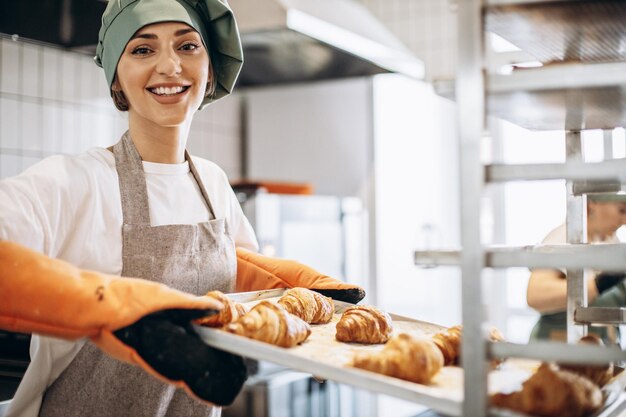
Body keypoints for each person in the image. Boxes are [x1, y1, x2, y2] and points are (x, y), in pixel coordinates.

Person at [0, 1, 364, 416]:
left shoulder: (212, 183)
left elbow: (242, 289)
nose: (170, 65)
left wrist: (312, 325)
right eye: (142, 49)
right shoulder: (75, 182)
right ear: (116, 79)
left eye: (188, 46)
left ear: (211, 70)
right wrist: (105, 307)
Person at [526, 195, 626, 343]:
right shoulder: (565, 239)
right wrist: (599, 284)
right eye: (621, 210)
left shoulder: (611, 242)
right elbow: (535, 296)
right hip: (559, 355)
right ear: (593, 204)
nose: (624, 221)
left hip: (602, 352)